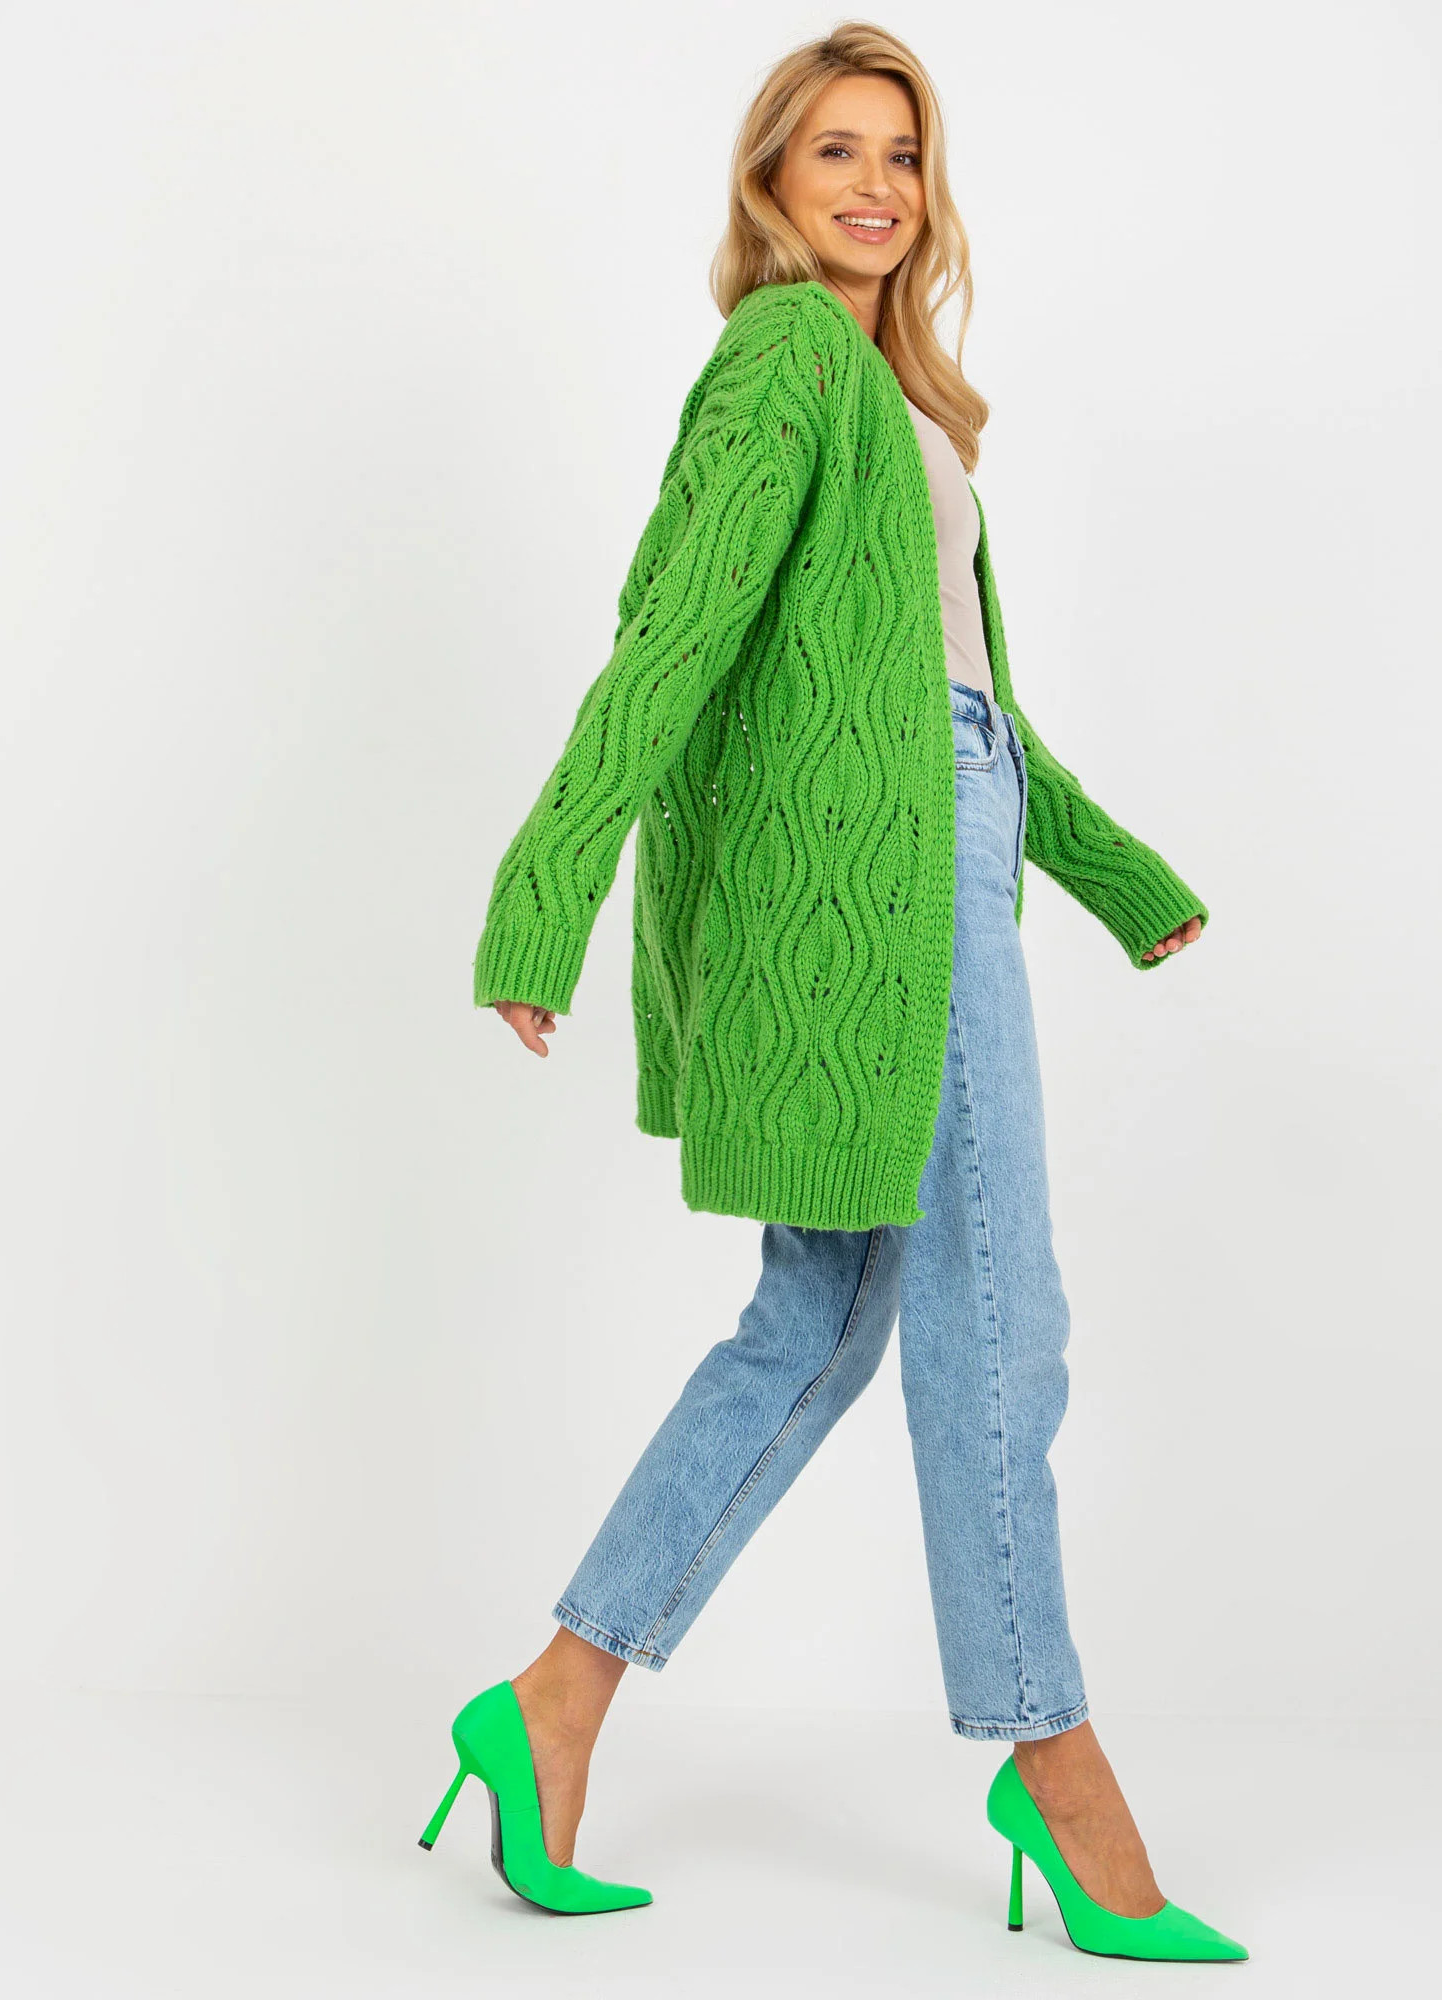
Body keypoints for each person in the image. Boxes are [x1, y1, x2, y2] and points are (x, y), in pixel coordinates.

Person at [423, 21, 1246, 1964]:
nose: (876, 184)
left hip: (932, 854)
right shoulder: (790, 355)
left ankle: (550, 1704)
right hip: (886, 901)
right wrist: (546, 889)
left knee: (817, 1318)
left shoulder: (893, 396)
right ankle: (1055, 1766)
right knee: (999, 1313)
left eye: (903, 153)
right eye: (835, 153)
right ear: (771, 184)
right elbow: (676, 639)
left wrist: (1117, 876)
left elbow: (963, 709)